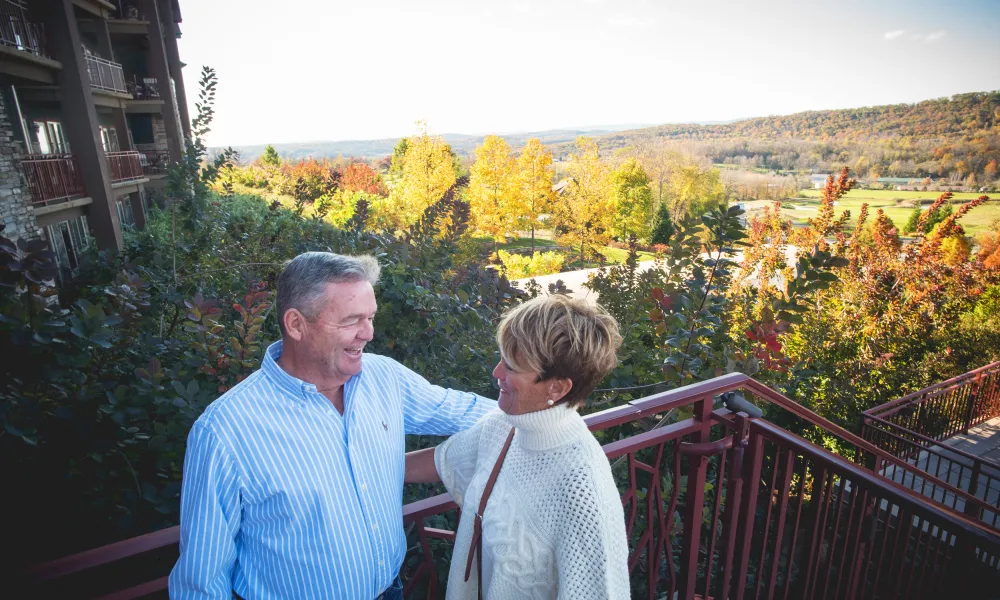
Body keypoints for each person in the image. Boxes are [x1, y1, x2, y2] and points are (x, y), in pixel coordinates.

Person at [169, 252, 497, 600]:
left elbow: (471, 411)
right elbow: (203, 579)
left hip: (391, 590)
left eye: (370, 317)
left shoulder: (383, 377)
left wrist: (548, 413)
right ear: (296, 324)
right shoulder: (225, 430)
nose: (368, 333)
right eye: (351, 320)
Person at [405, 294, 630, 599]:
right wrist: (351, 466)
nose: (497, 373)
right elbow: (442, 461)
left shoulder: (582, 487)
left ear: (557, 387)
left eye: (511, 367)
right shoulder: (505, 426)